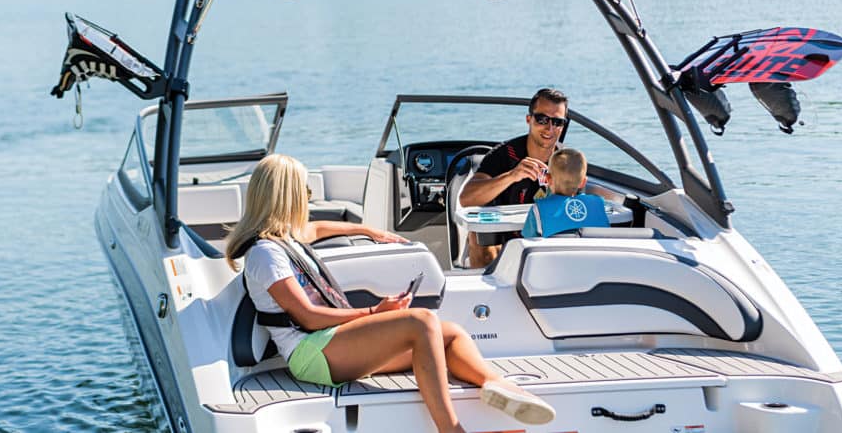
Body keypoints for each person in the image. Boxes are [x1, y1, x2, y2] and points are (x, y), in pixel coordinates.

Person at [225, 154, 555, 433]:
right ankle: (451, 429)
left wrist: (368, 230)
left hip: (329, 342)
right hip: (309, 353)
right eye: (305, 190)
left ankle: (496, 384)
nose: (308, 197)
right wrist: (374, 313)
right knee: (421, 321)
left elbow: (317, 229)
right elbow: (308, 317)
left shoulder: (285, 237)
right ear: (287, 195)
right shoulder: (266, 253)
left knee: (450, 334)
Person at [459, 88, 568, 266]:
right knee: (480, 239)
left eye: (557, 122)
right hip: (503, 243)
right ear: (528, 119)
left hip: (544, 243)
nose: (550, 128)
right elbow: (466, 198)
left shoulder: (566, 160)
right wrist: (511, 176)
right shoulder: (504, 154)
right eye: (542, 119)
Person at [522, 148, 609, 237]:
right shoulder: (598, 204)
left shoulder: (538, 210)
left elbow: (528, 239)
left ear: (548, 179)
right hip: (595, 250)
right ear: (583, 182)